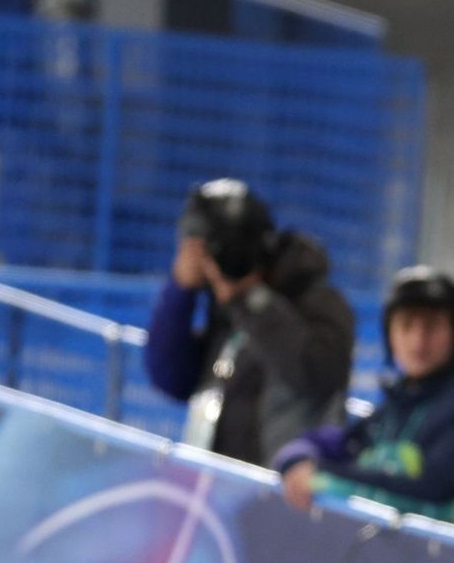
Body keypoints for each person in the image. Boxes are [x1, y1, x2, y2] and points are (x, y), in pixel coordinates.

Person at [273, 267, 454, 535]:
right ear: (390, 335)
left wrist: (321, 477)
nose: (418, 341)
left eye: (431, 326)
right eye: (407, 325)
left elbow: (429, 489)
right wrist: (298, 457)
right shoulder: (403, 401)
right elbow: (345, 443)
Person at [144, 179, 355, 465]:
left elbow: (314, 376)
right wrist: (181, 292)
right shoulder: (226, 308)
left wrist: (251, 301)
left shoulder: (317, 301)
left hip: (282, 495)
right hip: (219, 486)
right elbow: (172, 377)